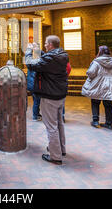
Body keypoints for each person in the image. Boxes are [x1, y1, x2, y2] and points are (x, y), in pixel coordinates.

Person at [25, 35, 69, 165]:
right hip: (60, 95)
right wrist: (38, 50)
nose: (44, 45)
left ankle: (55, 156)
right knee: (59, 123)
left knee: (51, 126)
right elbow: (45, 59)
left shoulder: (51, 59)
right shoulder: (61, 55)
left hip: (50, 96)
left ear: (50, 45)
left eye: (45, 43)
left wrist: (28, 51)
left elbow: (31, 64)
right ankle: (61, 149)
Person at [81, 45, 112, 130]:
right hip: (110, 85)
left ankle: (95, 121)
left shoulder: (96, 62)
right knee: (108, 104)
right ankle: (109, 123)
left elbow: (91, 73)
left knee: (95, 102)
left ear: (100, 52)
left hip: (98, 84)